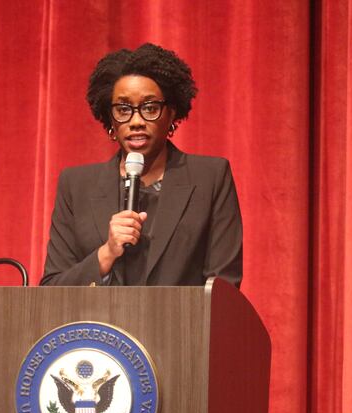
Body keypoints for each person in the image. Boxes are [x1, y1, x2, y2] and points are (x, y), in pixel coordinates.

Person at [40, 43, 243, 287]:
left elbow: (223, 289)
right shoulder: (77, 185)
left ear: (171, 114)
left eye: (150, 108)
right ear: (110, 120)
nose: (136, 121)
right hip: (99, 325)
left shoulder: (209, 178)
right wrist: (106, 253)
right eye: (123, 109)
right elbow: (52, 288)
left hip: (181, 325)